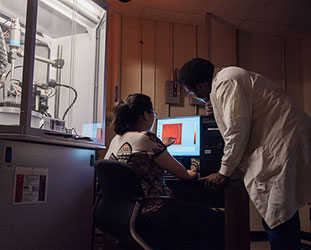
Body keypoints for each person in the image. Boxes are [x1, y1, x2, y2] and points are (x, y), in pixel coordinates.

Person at [178, 58, 311, 250]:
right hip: (283, 144)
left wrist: (224, 172)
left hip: (283, 146)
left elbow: (237, 131)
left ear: (201, 84)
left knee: (278, 214)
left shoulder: (227, 81)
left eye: (193, 93)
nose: (196, 98)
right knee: (282, 212)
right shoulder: (226, 80)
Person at [105, 93, 224, 250]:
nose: (153, 116)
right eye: (153, 113)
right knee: (215, 218)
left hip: (121, 212)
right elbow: (183, 174)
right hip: (152, 211)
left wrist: (161, 145)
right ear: (145, 114)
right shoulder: (146, 137)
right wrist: (195, 173)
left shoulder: (117, 139)